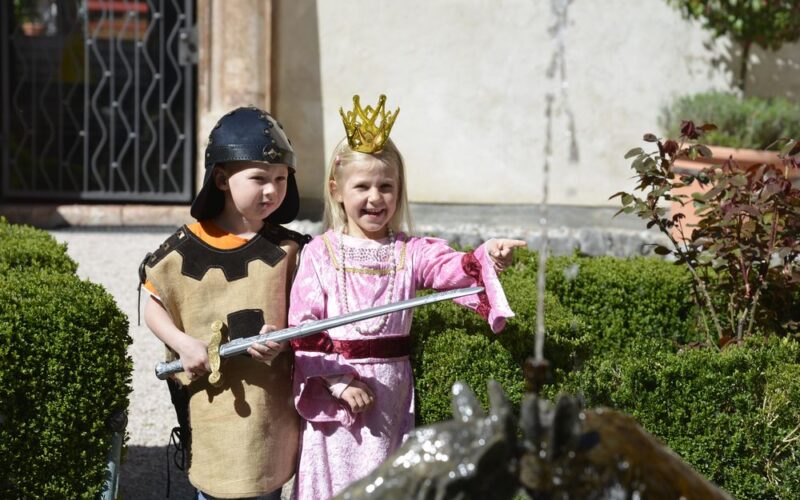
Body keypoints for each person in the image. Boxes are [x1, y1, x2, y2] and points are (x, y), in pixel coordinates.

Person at [288, 95, 526, 499]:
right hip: (339, 401)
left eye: (386, 186)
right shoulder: (320, 253)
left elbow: (451, 269)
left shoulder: (411, 251)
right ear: (337, 190)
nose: (375, 197)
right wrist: (340, 383)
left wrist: (485, 255)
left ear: (399, 191)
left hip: (390, 397)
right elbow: (304, 327)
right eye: (362, 186)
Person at [139, 106, 309, 500]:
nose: (272, 190)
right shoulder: (183, 251)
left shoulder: (290, 250)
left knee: (266, 482)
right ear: (221, 178)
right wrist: (183, 344)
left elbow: (311, 311)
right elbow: (153, 301)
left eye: (281, 179)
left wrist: (282, 339)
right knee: (215, 486)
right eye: (259, 178)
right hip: (214, 405)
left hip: (268, 407)